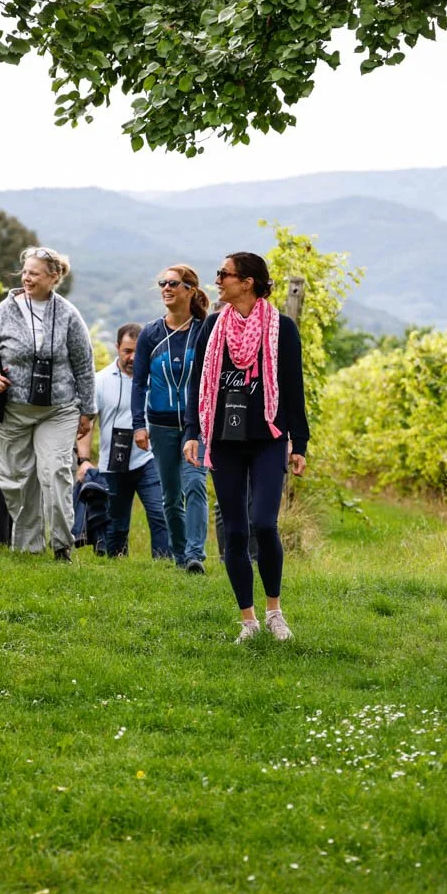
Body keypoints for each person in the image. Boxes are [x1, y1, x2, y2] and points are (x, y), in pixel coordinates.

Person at [184, 252, 309, 642]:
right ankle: (248, 620)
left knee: (263, 523)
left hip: (269, 437)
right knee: (235, 531)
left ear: (248, 282)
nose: (218, 280)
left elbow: (293, 389)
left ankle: (274, 611)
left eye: (224, 274)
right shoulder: (212, 328)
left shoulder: (282, 330)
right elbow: (196, 384)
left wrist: (299, 443)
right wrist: (193, 430)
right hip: (224, 439)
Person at [0, 246, 96, 561]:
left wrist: (88, 410)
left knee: (55, 472)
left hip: (59, 409)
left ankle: (62, 546)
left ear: (54, 277)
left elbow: (84, 363)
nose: (27, 278)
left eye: (35, 273)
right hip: (13, 410)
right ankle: (28, 547)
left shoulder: (68, 313)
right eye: (25, 272)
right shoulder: (3, 311)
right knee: (16, 481)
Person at [132, 264, 211, 572]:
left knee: (195, 485)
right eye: (162, 282)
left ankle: (195, 555)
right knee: (170, 496)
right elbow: (139, 383)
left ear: (190, 289)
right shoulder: (151, 333)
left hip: (198, 427)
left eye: (173, 283)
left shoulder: (204, 329)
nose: (166, 287)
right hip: (161, 425)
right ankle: (180, 557)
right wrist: (139, 424)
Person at [79, 323, 171, 559]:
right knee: (116, 523)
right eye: (127, 351)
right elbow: (86, 424)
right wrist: (84, 460)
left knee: (160, 514)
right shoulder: (100, 381)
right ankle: (117, 565)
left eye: (138, 352)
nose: (133, 358)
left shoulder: (157, 379)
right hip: (113, 463)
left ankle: (165, 565)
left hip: (148, 458)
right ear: (117, 347)